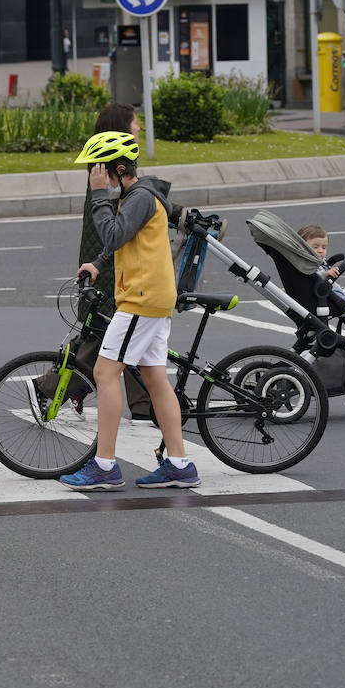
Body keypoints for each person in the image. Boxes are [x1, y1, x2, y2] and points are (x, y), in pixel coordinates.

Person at [60, 131, 199, 491]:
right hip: (150, 297)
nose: (96, 176)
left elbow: (114, 234)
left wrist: (98, 197)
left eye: (99, 169)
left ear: (118, 168)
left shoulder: (138, 197)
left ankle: (105, 466)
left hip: (141, 298)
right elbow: (124, 241)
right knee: (153, 378)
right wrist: (98, 263)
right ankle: (179, 464)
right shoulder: (139, 197)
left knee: (105, 372)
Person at [66, 102, 154, 420]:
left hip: (111, 261)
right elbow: (117, 230)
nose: (139, 128)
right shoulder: (107, 174)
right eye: (135, 123)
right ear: (121, 128)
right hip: (110, 264)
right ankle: (55, 386)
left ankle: (145, 403)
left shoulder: (110, 169)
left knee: (123, 335)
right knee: (108, 334)